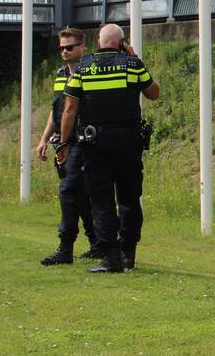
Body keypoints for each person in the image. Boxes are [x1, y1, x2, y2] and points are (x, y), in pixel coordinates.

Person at [57, 23, 161, 273]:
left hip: (95, 144)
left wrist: (63, 142)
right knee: (129, 197)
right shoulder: (131, 64)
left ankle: (111, 256)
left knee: (101, 200)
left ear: (99, 42)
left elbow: (70, 109)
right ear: (122, 42)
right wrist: (134, 58)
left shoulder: (83, 67)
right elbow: (154, 93)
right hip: (128, 142)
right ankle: (128, 252)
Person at [36, 28, 102, 265]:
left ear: (82, 47)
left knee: (68, 191)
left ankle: (66, 249)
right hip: (64, 142)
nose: (65, 52)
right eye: (62, 48)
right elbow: (58, 112)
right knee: (79, 194)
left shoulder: (91, 72)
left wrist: (64, 141)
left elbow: (75, 111)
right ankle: (97, 243)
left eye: (70, 47)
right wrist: (45, 139)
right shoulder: (61, 73)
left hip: (82, 141)